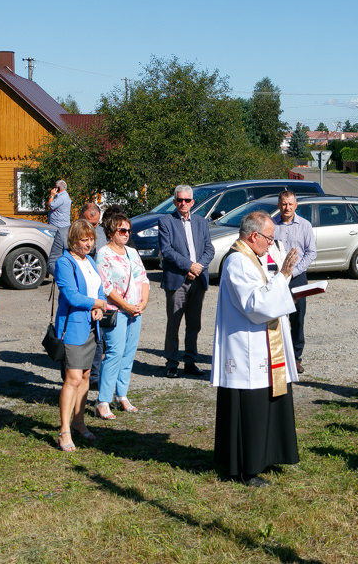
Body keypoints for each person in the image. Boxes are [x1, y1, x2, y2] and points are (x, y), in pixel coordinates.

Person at [212, 211, 300, 487]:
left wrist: (282, 282)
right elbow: (255, 304)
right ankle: (245, 468)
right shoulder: (238, 261)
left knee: (266, 403)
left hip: (260, 344)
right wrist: (283, 276)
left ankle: (264, 457)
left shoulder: (252, 258)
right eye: (269, 238)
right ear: (254, 236)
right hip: (245, 349)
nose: (271, 244)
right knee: (249, 409)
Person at [54, 219, 106, 452]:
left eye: (91, 239)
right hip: (73, 327)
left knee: (85, 376)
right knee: (73, 378)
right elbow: (73, 297)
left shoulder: (90, 261)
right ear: (73, 240)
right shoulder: (64, 263)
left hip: (91, 326)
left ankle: (79, 422)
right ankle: (64, 430)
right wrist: (97, 303)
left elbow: (99, 288)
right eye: (83, 240)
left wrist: (98, 306)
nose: (87, 244)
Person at [94, 213, 150, 420]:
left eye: (128, 230)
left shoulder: (132, 252)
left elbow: (143, 278)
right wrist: (126, 306)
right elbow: (106, 287)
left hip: (135, 310)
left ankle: (122, 395)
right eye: (122, 230)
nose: (126, 234)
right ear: (111, 232)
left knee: (129, 353)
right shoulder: (103, 254)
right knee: (114, 354)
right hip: (116, 311)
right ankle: (103, 400)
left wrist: (142, 303)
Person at [158, 185, 215, 378]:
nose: (183, 203)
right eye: (179, 200)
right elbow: (167, 251)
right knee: (173, 323)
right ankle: (172, 363)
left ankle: (190, 362)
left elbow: (209, 249)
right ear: (174, 201)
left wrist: (198, 267)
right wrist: (190, 266)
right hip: (177, 280)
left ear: (192, 202)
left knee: (194, 324)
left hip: (197, 280)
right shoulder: (166, 221)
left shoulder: (201, 222)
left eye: (187, 200)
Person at [48, 202, 106, 389]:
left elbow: (99, 279)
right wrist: (68, 280)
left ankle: (94, 381)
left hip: (93, 309)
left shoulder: (98, 241)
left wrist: (99, 304)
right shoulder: (63, 235)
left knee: (93, 355)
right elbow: (53, 262)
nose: (90, 240)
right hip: (74, 309)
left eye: (95, 225)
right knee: (72, 371)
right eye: (89, 223)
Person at [273, 191, 316, 373]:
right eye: (284, 204)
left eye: (290, 204)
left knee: (297, 319)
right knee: (276, 317)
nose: (287, 208)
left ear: (296, 205)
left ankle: (296, 358)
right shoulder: (271, 226)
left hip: (297, 278)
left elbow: (311, 252)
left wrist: (294, 271)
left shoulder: (305, 226)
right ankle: (279, 356)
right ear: (279, 205)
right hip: (276, 279)